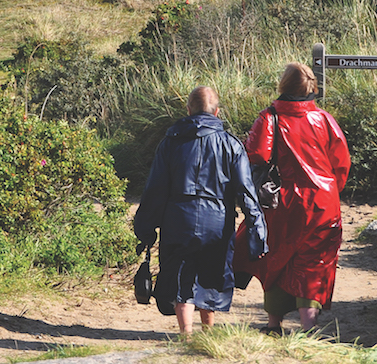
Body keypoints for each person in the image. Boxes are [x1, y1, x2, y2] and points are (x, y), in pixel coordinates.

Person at [134, 86, 266, 335]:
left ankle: (186, 333)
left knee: (181, 275)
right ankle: (207, 332)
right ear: (217, 112)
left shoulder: (170, 142)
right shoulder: (231, 144)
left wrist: (145, 228)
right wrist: (256, 228)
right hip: (218, 220)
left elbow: (155, 190)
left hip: (177, 219)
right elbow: (246, 191)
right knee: (212, 273)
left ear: (188, 110)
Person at [236, 62, 350, 333]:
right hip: (323, 202)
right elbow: (342, 162)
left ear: (283, 85)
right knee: (315, 263)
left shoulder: (269, 118)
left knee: (276, 258)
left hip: (282, 202)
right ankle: (309, 326)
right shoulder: (324, 119)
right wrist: (332, 191)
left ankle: (274, 324)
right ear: (312, 87)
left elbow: (257, 154)